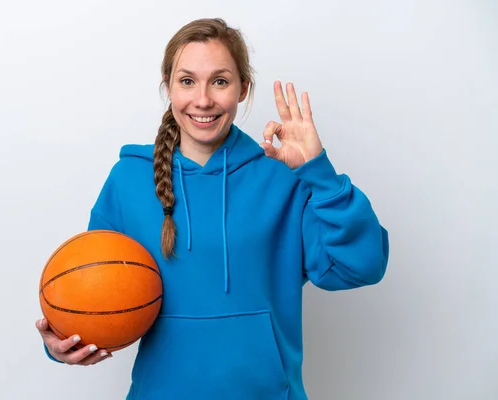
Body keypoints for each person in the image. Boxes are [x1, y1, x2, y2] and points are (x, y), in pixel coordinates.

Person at [36, 17, 389, 400]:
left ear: (242, 89)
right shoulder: (128, 180)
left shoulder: (284, 178)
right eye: (187, 81)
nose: (203, 99)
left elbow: (363, 265)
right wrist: (61, 344)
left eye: (220, 81)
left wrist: (318, 172)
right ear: (168, 86)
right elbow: (87, 293)